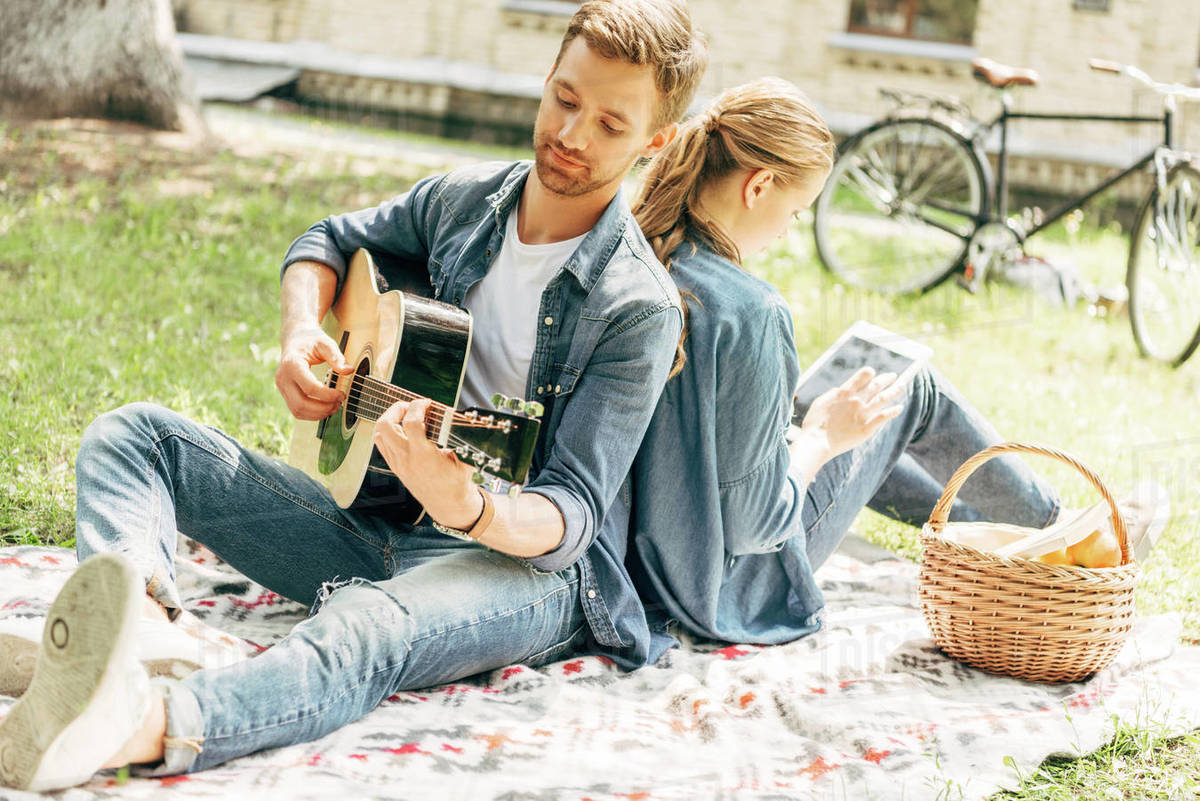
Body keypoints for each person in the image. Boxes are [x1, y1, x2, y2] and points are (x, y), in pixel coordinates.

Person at [0, 1, 708, 790]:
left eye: (611, 123)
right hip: (374, 511)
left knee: (364, 625)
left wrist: (469, 506)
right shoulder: (468, 202)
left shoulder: (636, 306)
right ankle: (141, 631)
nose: (572, 134)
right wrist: (303, 330)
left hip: (520, 569)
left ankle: (134, 725)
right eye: (566, 99)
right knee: (137, 435)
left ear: (656, 141)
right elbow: (328, 239)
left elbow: (573, 513)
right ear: (546, 80)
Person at [620, 77, 1163, 653]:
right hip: (726, 587)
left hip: (644, 568)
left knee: (855, 413)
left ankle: (1028, 535)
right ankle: (1059, 530)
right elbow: (756, 526)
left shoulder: (634, 253)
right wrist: (819, 441)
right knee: (911, 389)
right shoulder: (750, 312)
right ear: (759, 186)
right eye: (798, 212)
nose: (789, 228)